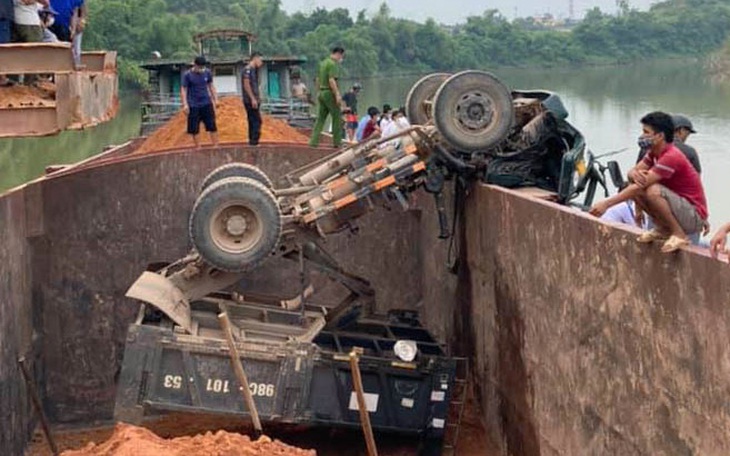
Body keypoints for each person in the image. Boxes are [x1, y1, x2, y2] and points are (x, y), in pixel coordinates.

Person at [589, 112, 708, 253]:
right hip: (678, 210)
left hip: (692, 215)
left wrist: (606, 204)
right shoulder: (653, 153)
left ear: (660, 136)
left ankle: (678, 234)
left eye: (646, 132)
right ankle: (663, 228)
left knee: (652, 190)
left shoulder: (671, 156)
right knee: (636, 190)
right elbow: (632, 175)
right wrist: (633, 173)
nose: (642, 136)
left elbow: (641, 185)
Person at [309, 46, 345, 148]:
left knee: (320, 118)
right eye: (341, 56)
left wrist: (319, 91)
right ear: (338, 54)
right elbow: (331, 80)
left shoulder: (323, 63)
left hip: (322, 92)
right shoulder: (332, 64)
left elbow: (317, 79)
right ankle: (337, 143)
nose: (341, 59)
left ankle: (313, 142)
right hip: (329, 93)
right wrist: (337, 94)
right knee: (337, 117)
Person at [181, 56, 219, 149]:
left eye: (202, 67)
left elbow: (211, 86)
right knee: (194, 128)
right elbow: (184, 89)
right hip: (193, 104)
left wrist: (216, 99)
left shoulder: (207, 73)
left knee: (212, 125)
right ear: (194, 64)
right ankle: (198, 147)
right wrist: (185, 104)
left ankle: (215, 145)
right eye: (199, 67)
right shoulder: (188, 75)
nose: (200, 69)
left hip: (206, 102)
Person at [13, 0, 47, 84]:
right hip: (30, 22)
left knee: (15, 53)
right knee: (34, 53)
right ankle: (30, 82)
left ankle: (14, 81)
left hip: (17, 20)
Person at [49, 0, 84, 66]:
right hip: (50, 25)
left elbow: (74, 12)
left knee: (65, 50)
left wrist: (73, 29)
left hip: (64, 27)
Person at [242, 51, 264, 146]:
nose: (261, 62)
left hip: (254, 99)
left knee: (253, 120)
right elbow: (246, 84)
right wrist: (253, 98)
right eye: (260, 60)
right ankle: (254, 142)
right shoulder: (248, 69)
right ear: (255, 58)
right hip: (250, 100)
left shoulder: (255, 71)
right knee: (256, 120)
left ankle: (252, 141)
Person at [0, 0, 12, 87]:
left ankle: (3, 77)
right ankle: (2, 78)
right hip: (2, 17)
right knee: (3, 49)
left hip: (4, 17)